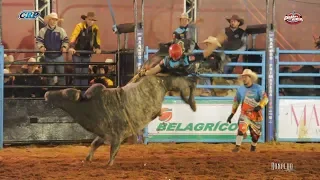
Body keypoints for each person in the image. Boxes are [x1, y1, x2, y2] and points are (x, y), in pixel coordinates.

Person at [135, 35, 224, 80]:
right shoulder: (186, 59)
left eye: (209, 44)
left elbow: (156, 69)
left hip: (177, 74)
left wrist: (145, 73)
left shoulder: (167, 61)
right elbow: (203, 56)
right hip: (185, 74)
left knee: (158, 72)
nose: (207, 44)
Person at [226, 69, 268, 152]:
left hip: (256, 115)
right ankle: (237, 147)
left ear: (250, 78)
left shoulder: (258, 88)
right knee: (241, 128)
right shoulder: (240, 89)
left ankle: (253, 147)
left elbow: (265, 98)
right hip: (244, 114)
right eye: (243, 77)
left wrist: (260, 106)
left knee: (255, 136)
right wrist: (232, 114)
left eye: (245, 77)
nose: (244, 78)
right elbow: (236, 102)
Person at [68, 12, 102, 87]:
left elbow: (97, 40)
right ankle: (77, 91)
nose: (91, 21)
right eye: (90, 19)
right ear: (86, 19)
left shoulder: (95, 28)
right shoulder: (79, 26)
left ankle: (83, 91)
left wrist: (97, 48)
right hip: (78, 53)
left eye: (93, 20)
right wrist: (71, 47)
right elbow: (74, 37)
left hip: (86, 54)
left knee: (84, 73)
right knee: (78, 73)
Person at [36, 12, 68, 86]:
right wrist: (41, 47)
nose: (54, 21)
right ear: (49, 20)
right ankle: (52, 93)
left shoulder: (61, 30)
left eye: (56, 20)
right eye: (53, 19)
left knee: (61, 76)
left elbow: (65, 40)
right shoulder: (43, 30)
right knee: (50, 77)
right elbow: (39, 41)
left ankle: (62, 92)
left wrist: (64, 47)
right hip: (48, 56)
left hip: (58, 56)